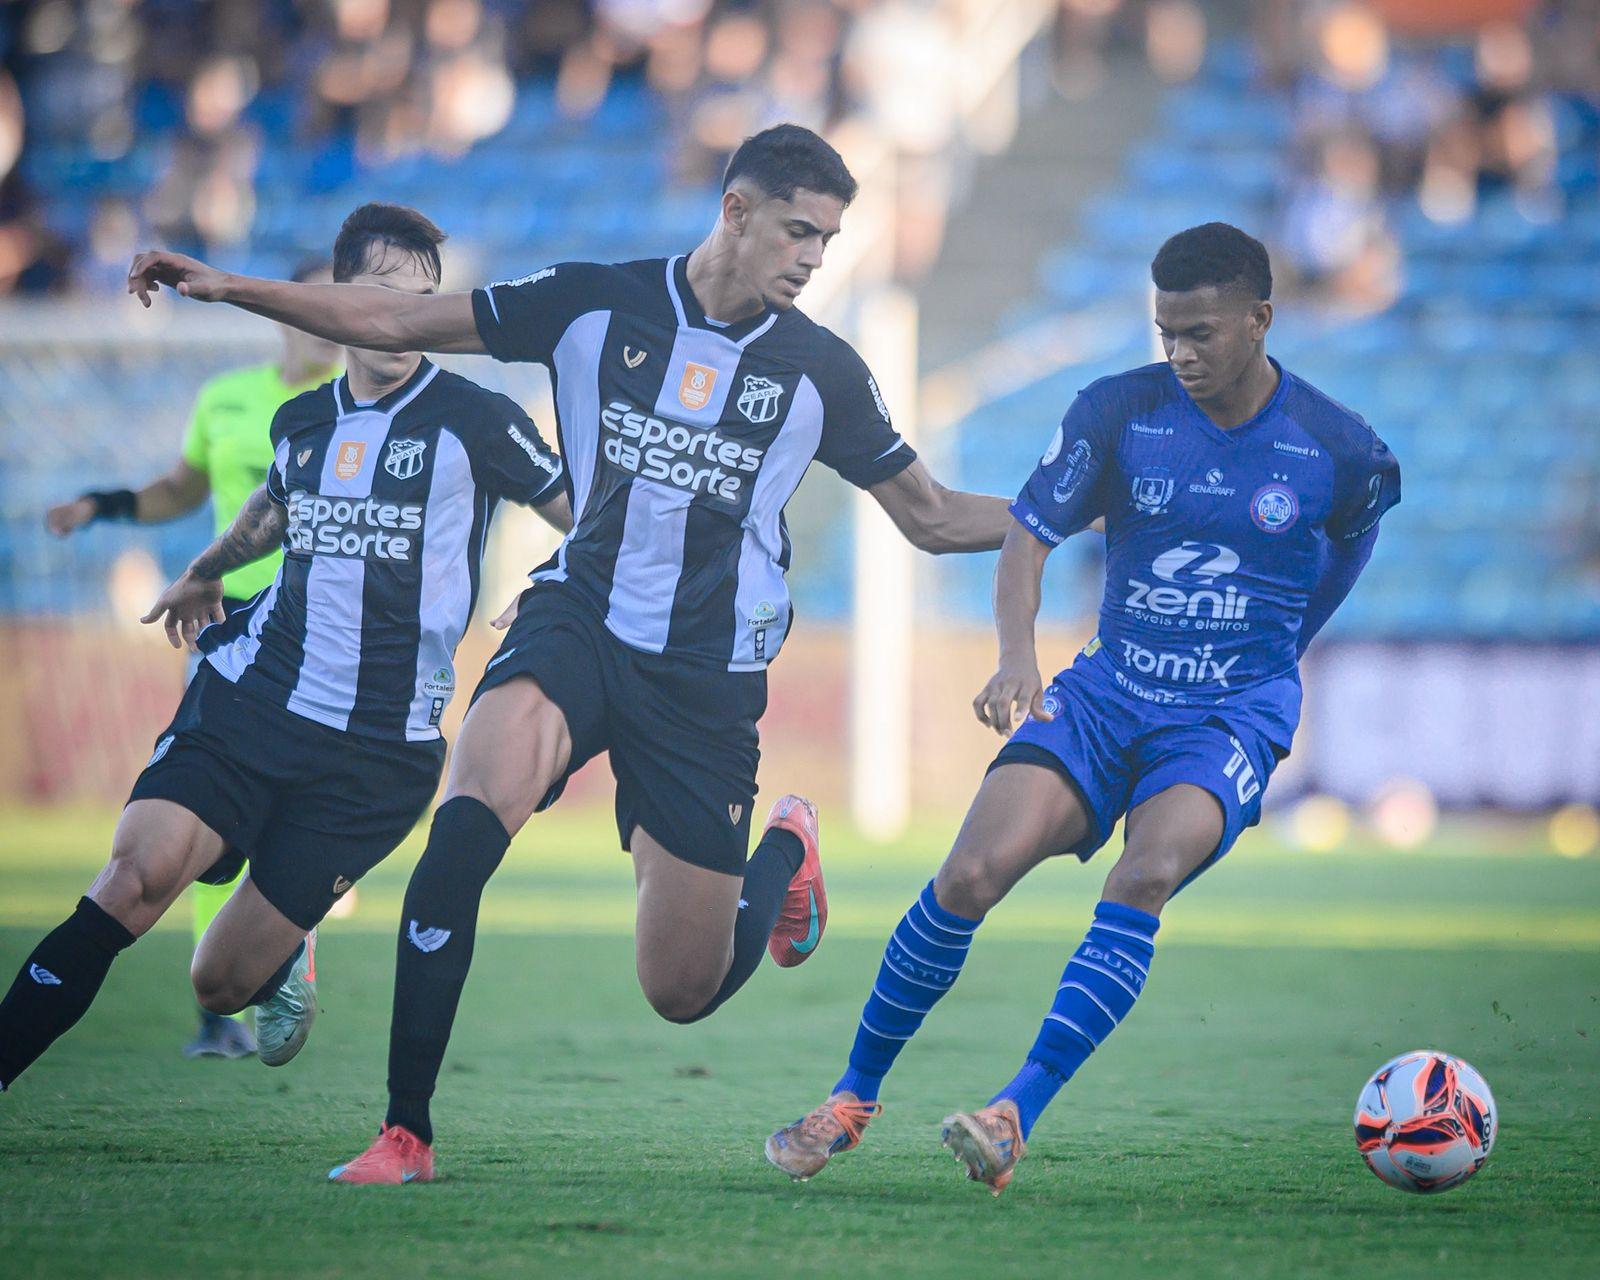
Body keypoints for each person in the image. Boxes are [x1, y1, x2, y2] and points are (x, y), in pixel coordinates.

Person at [124, 122, 1016, 1185]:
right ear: (735, 211)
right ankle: (406, 1132)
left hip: (703, 678)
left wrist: (1076, 510)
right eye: (797, 231)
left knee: (680, 988)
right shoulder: (595, 302)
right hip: (576, 620)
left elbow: (931, 515)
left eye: (826, 239)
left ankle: (784, 847)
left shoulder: (822, 369)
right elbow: (396, 317)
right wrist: (231, 287)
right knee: (463, 828)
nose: (813, 257)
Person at [765, 222, 1402, 1194]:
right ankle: (850, 1097)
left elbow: (1353, 536)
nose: (1179, 353)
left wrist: (1284, 647)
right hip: (1107, 693)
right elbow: (1029, 534)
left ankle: (1012, 1111)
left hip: (1227, 716)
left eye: (1199, 332)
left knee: (1144, 872)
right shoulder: (1117, 411)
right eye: (1166, 332)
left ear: (1260, 320)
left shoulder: (1337, 446)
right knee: (969, 872)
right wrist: (1017, 657)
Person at [0, 202, 570, 1094]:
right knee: (134, 880)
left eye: (422, 300)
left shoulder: (480, 421)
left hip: (378, 753)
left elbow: (593, 521)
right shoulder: (303, 422)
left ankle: (282, 949)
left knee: (219, 983)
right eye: (383, 293)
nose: (403, 317)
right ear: (339, 298)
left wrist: (553, 587)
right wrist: (204, 570)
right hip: (254, 698)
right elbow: (272, 509)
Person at [44, 258, 341, 1060]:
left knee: (288, 811)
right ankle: (224, 1008)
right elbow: (181, 488)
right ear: (284, 311)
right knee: (206, 813)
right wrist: (104, 505)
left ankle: (279, 946)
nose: (326, 319)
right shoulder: (228, 397)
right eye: (312, 303)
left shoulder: (358, 407)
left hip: (314, 627)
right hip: (219, 626)